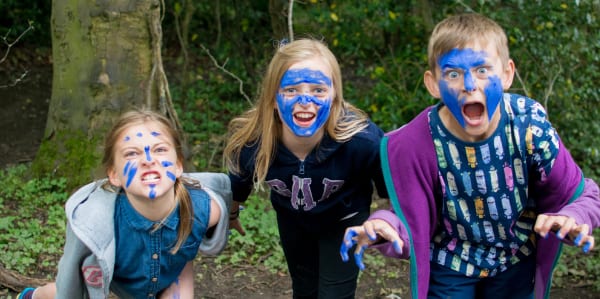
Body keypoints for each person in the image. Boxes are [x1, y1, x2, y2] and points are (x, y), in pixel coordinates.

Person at [340, 13, 600, 299]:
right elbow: (413, 217)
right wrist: (384, 225)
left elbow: (583, 193)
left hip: (514, 259)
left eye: (482, 70)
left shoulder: (529, 128)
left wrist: (574, 216)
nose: (469, 84)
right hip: (450, 262)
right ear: (433, 84)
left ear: (507, 74)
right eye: (453, 74)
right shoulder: (417, 143)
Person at [223, 38, 388, 299]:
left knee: (335, 294)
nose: (305, 100)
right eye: (291, 90)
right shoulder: (256, 143)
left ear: (334, 96)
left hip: (344, 223)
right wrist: (230, 215)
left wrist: (386, 221)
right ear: (274, 99)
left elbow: (393, 189)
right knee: (304, 289)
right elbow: (238, 182)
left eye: (318, 90)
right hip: (293, 222)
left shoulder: (361, 141)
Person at [17, 109, 232, 299]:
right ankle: (33, 295)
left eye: (159, 150)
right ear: (114, 175)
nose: (148, 159)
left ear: (177, 167)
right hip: (111, 275)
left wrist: (232, 215)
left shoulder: (203, 209)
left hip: (172, 272)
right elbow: (70, 276)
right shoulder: (92, 224)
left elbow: (223, 196)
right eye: (132, 153)